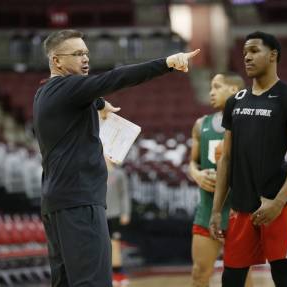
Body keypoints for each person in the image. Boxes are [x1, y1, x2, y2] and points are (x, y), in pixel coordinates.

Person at [33, 29, 199, 287]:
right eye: (77, 54)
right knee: (93, 281)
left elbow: (82, 97)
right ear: (56, 61)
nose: (85, 59)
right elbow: (114, 78)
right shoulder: (70, 88)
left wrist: (98, 104)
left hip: (56, 202)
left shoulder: (44, 93)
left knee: (65, 282)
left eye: (86, 53)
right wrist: (166, 63)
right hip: (80, 200)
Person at [209, 31, 287, 287]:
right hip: (241, 205)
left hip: (277, 205)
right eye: (245, 52)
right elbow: (227, 158)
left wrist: (278, 203)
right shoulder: (235, 102)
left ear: (273, 55)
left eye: (254, 51)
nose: (247, 57)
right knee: (231, 278)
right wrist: (215, 210)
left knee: (283, 277)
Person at [189, 73, 253, 287]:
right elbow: (192, 163)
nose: (211, 92)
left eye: (216, 87)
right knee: (199, 273)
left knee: (243, 278)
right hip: (208, 209)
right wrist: (198, 175)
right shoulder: (201, 124)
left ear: (234, 90)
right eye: (210, 87)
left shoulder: (251, 123)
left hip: (239, 210)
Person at [106, 158, 131, 287]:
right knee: (104, 247)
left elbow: (124, 194)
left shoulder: (119, 173)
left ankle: (118, 274)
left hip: (115, 215)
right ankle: (109, 275)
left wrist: (125, 212)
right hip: (101, 215)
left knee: (115, 245)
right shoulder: (96, 173)